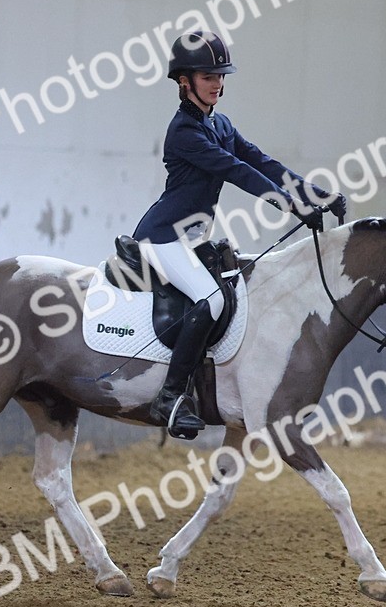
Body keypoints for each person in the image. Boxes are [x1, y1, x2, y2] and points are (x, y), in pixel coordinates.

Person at [131, 30, 346, 438]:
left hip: (192, 239)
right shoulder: (184, 132)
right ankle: (170, 397)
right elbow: (236, 171)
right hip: (162, 239)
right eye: (208, 77)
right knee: (211, 301)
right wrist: (292, 206)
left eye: (220, 76)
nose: (218, 83)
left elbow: (261, 161)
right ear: (184, 82)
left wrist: (316, 194)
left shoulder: (220, 124)